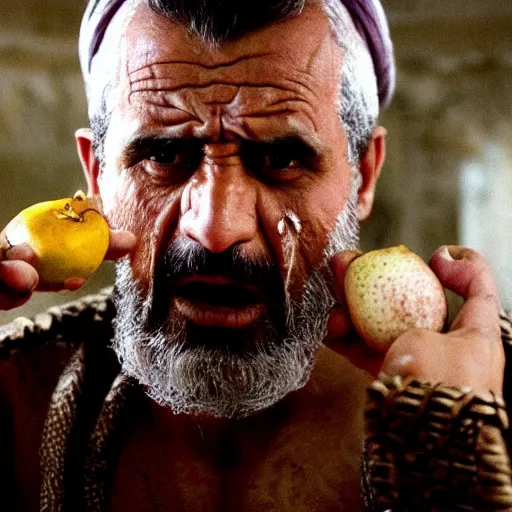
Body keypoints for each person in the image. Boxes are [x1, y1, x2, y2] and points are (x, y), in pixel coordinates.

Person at [0, 0, 511, 510]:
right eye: (163, 155)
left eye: (280, 158)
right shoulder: (16, 395)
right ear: (96, 177)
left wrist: (451, 453)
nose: (218, 231)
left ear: (364, 176)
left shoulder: (486, 404)